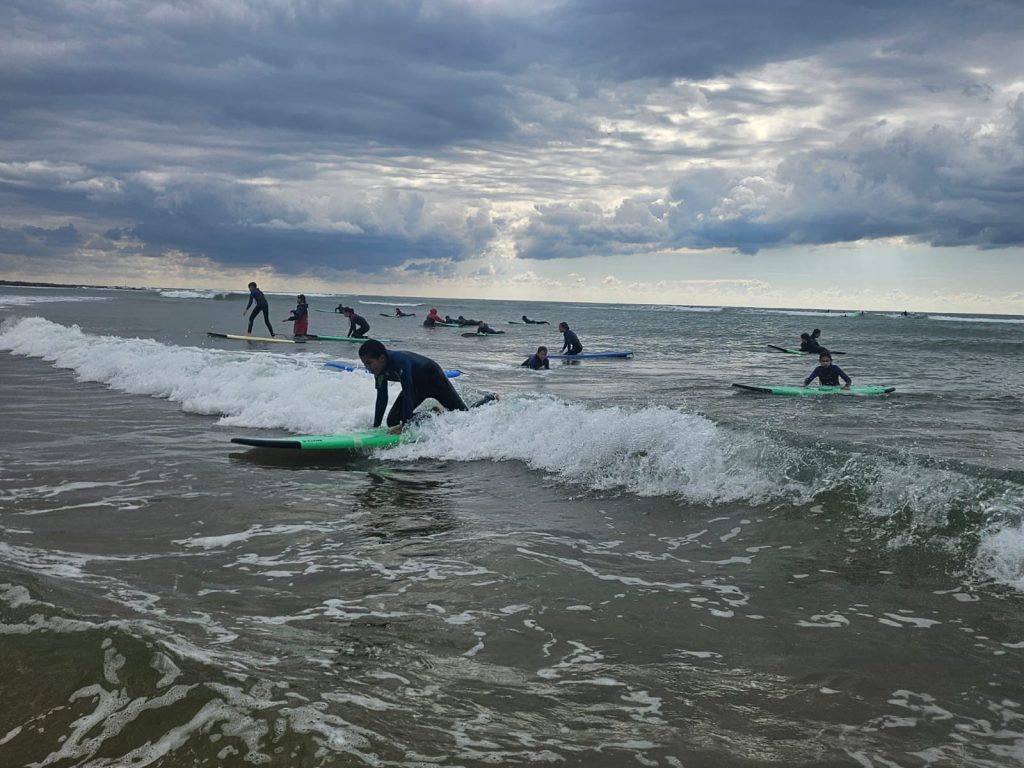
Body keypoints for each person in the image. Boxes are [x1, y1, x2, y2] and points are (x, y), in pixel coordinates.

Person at [359, 340, 498, 431]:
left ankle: (489, 398)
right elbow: (382, 397)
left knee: (464, 417)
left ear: (381, 358)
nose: (367, 367)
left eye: (369, 363)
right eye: (365, 363)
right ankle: (432, 414)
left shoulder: (400, 362)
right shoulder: (379, 370)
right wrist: (375, 427)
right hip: (417, 386)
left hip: (435, 381)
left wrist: (405, 427)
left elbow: (408, 394)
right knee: (392, 421)